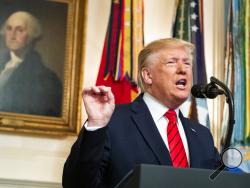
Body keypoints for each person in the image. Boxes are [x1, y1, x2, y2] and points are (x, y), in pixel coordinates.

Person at [62, 38, 221, 187]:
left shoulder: (202, 135)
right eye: (172, 62)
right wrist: (96, 125)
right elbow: (76, 184)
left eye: (187, 64)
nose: (183, 70)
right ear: (147, 75)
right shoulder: (112, 121)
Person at [0, 11, 62, 116]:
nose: (12, 34)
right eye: (9, 28)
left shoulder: (47, 79)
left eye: (20, 30)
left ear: (31, 35)